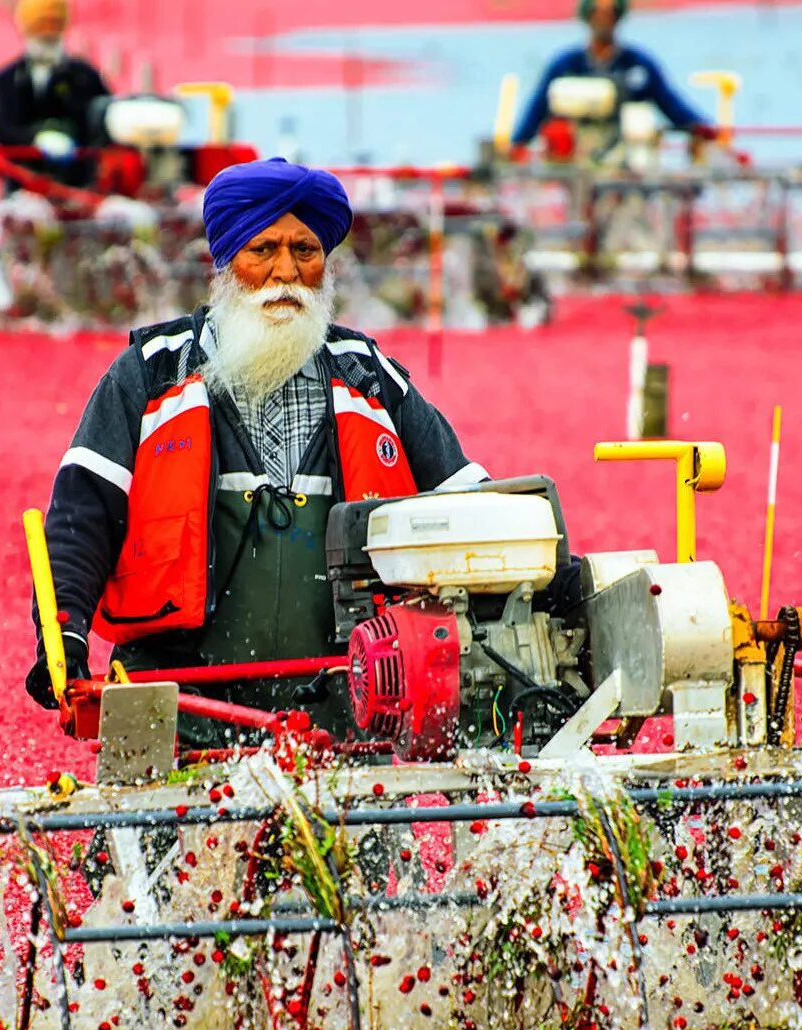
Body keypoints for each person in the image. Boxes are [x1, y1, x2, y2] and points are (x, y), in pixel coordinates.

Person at [24, 159, 490, 733]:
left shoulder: (370, 377)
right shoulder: (149, 373)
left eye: (305, 251)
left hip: (343, 707)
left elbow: (470, 502)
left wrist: (561, 576)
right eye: (262, 250)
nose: (285, 272)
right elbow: (82, 514)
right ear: (224, 262)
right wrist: (62, 635)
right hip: (177, 700)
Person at [511, 0, 710, 148]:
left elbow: (673, 106)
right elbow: (536, 111)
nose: (603, 19)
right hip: (576, 158)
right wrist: (516, 145)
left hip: (627, 159)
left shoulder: (638, 64)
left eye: (609, 13)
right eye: (598, 12)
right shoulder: (566, 65)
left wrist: (708, 132)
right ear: (587, 16)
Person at [0, 0, 111, 191]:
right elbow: (4, 131)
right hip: (23, 187)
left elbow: (102, 124)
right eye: (41, 38)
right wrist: (37, 138)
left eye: (52, 39)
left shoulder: (85, 77)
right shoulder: (7, 80)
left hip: (80, 186)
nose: (47, 44)